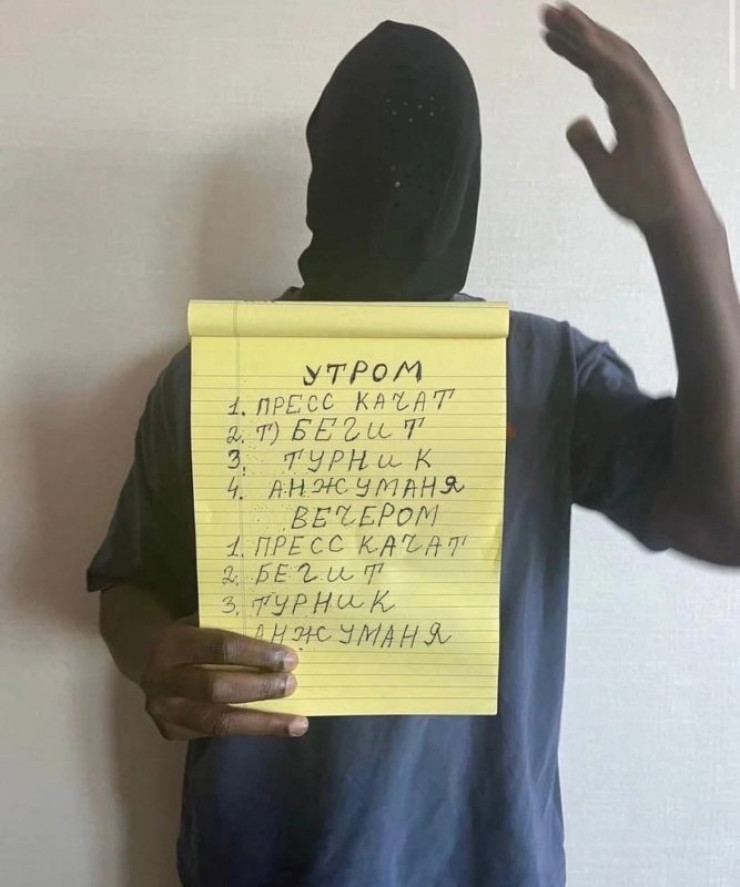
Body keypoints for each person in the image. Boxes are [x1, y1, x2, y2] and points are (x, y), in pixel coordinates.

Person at [87, 5, 740, 886]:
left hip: (483, 860)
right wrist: (155, 658)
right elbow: (128, 584)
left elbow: (723, 518)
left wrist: (686, 227)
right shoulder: (210, 375)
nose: (396, 184)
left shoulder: (541, 371)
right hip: (262, 859)